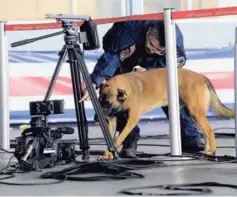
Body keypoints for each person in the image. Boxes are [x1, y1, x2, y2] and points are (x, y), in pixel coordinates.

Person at [79, 20, 204, 158]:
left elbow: (176, 64)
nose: (152, 50)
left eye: (159, 49)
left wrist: (150, 71)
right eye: (151, 44)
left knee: (170, 88)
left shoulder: (173, 36)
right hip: (125, 59)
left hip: (154, 64)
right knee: (121, 98)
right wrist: (94, 81)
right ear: (148, 32)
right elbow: (112, 58)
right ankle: (129, 142)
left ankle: (190, 137)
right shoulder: (128, 30)